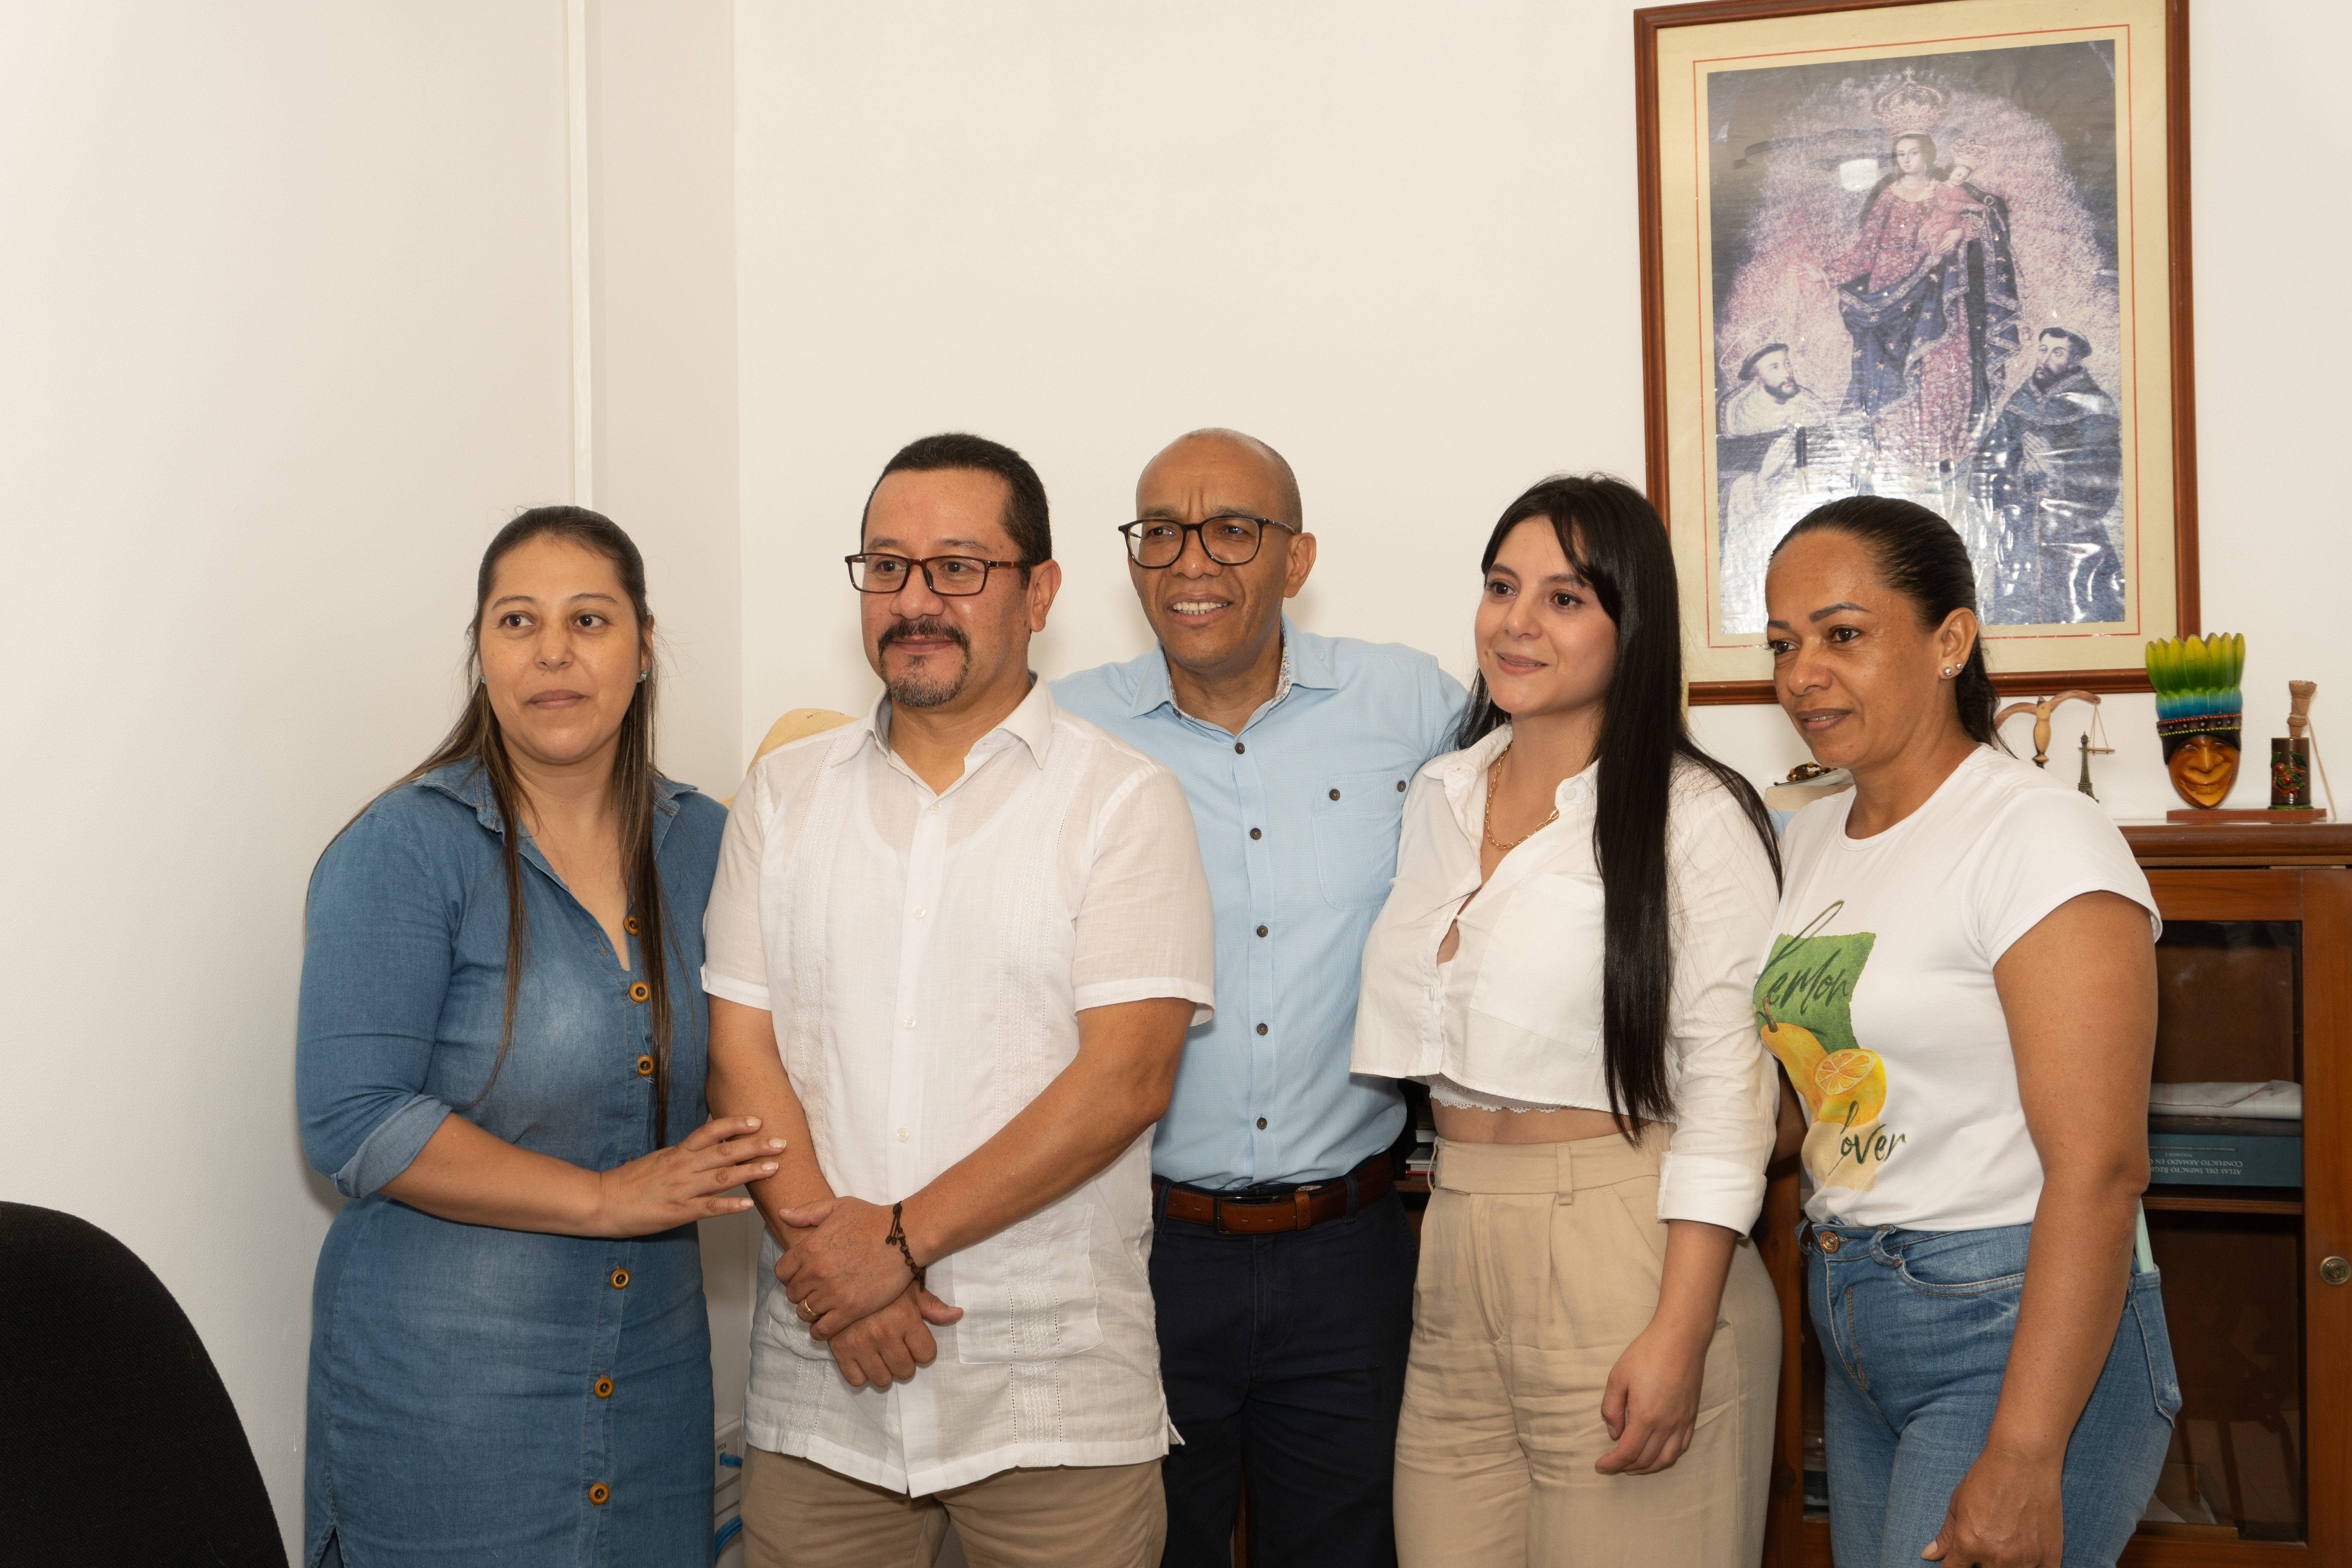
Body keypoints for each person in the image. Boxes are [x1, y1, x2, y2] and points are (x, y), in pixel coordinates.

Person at [702, 432, 1217, 1568]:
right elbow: (741, 1053)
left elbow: (1126, 1080)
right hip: (822, 1391)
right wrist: (845, 1277)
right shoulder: (782, 797)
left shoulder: (1123, 802)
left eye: (958, 567)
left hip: (1048, 1399)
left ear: (1041, 592)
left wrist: (893, 1243)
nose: (915, 600)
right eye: (887, 566)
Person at [298, 506, 759, 1567]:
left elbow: (753, 1064)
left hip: (652, 1381)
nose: (553, 651)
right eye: (518, 621)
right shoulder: (406, 848)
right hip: (448, 1404)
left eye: (588, 619)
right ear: (482, 652)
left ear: (644, 648)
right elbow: (354, 1121)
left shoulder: (707, 844)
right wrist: (606, 1199)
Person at [1353, 474, 1784, 1566]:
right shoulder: (1440, 794)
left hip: (1630, 1244)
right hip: (1455, 1237)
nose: (1517, 623)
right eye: (1502, 588)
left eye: (1564, 598)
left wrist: (1681, 1332)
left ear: (1630, 627)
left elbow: (1733, 1094)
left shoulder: (1695, 815)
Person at [1055, 428, 1465, 1566]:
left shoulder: (1410, 701)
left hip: (1350, 1250)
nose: (1192, 561)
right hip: (1139, 1247)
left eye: (1233, 530)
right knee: (1143, 1550)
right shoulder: (1063, 730)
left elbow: (1556, 804)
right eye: (1161, 532)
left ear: (1298, 557)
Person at [1758, 495, 2176, 1566]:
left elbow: (2102, 1168)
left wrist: (2027, 1453)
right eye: (1784, 643)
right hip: (1854, 1308)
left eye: (1843, 634)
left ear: (1951, 640)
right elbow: (1818, 1098)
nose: (1804, 674)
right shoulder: (1806, 842)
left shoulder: (2039, 836)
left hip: (2011, 1322)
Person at [1817, 132, 2020, 479]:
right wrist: (1826, 274)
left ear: (1928, 156)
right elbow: (1866, 249)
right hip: (1888, 291)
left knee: (1941, 363)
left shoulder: (1949, 190)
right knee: (1889, 370)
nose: (1907, 160)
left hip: (1937, 288)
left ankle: (1943, 449)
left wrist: (1961, 232)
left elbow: (1987, 216)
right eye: (1901, 154)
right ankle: (1898, 454)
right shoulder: (1888, 196)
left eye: (1913, 153)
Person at [1977, 327, 2125, 624]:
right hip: (2019, 529)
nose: (2045, 359)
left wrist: (2052, 466)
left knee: (2078, 607)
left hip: (2073, 534)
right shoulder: (2023, 398)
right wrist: (2020, 467)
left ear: (2075, 360)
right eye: (2043, 349)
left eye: (2057, 352)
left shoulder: (2095, 405)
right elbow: (1990, 456)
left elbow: (2103, 474)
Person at [1718, 343, 1833, 633]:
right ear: (1758, 378)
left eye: (1787, 363)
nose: (1787, 372)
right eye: (1775, 367)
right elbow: (1729, 483)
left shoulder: (1808, 406)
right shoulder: (1741, 415)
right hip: (1759, 520)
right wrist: (1765, 476)